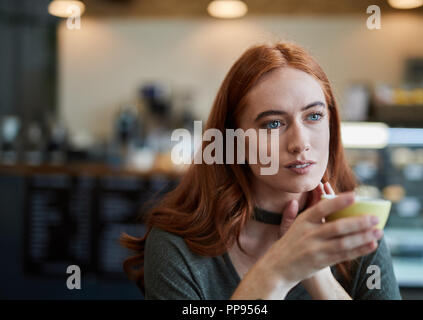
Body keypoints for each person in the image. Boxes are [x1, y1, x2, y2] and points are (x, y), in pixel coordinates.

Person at [120, 41, 402, 300]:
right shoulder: (177, 246)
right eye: (273, 124)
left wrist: (317, 274)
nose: (300, 143)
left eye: (314, 116)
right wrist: (276, 272)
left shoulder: (355, 231)